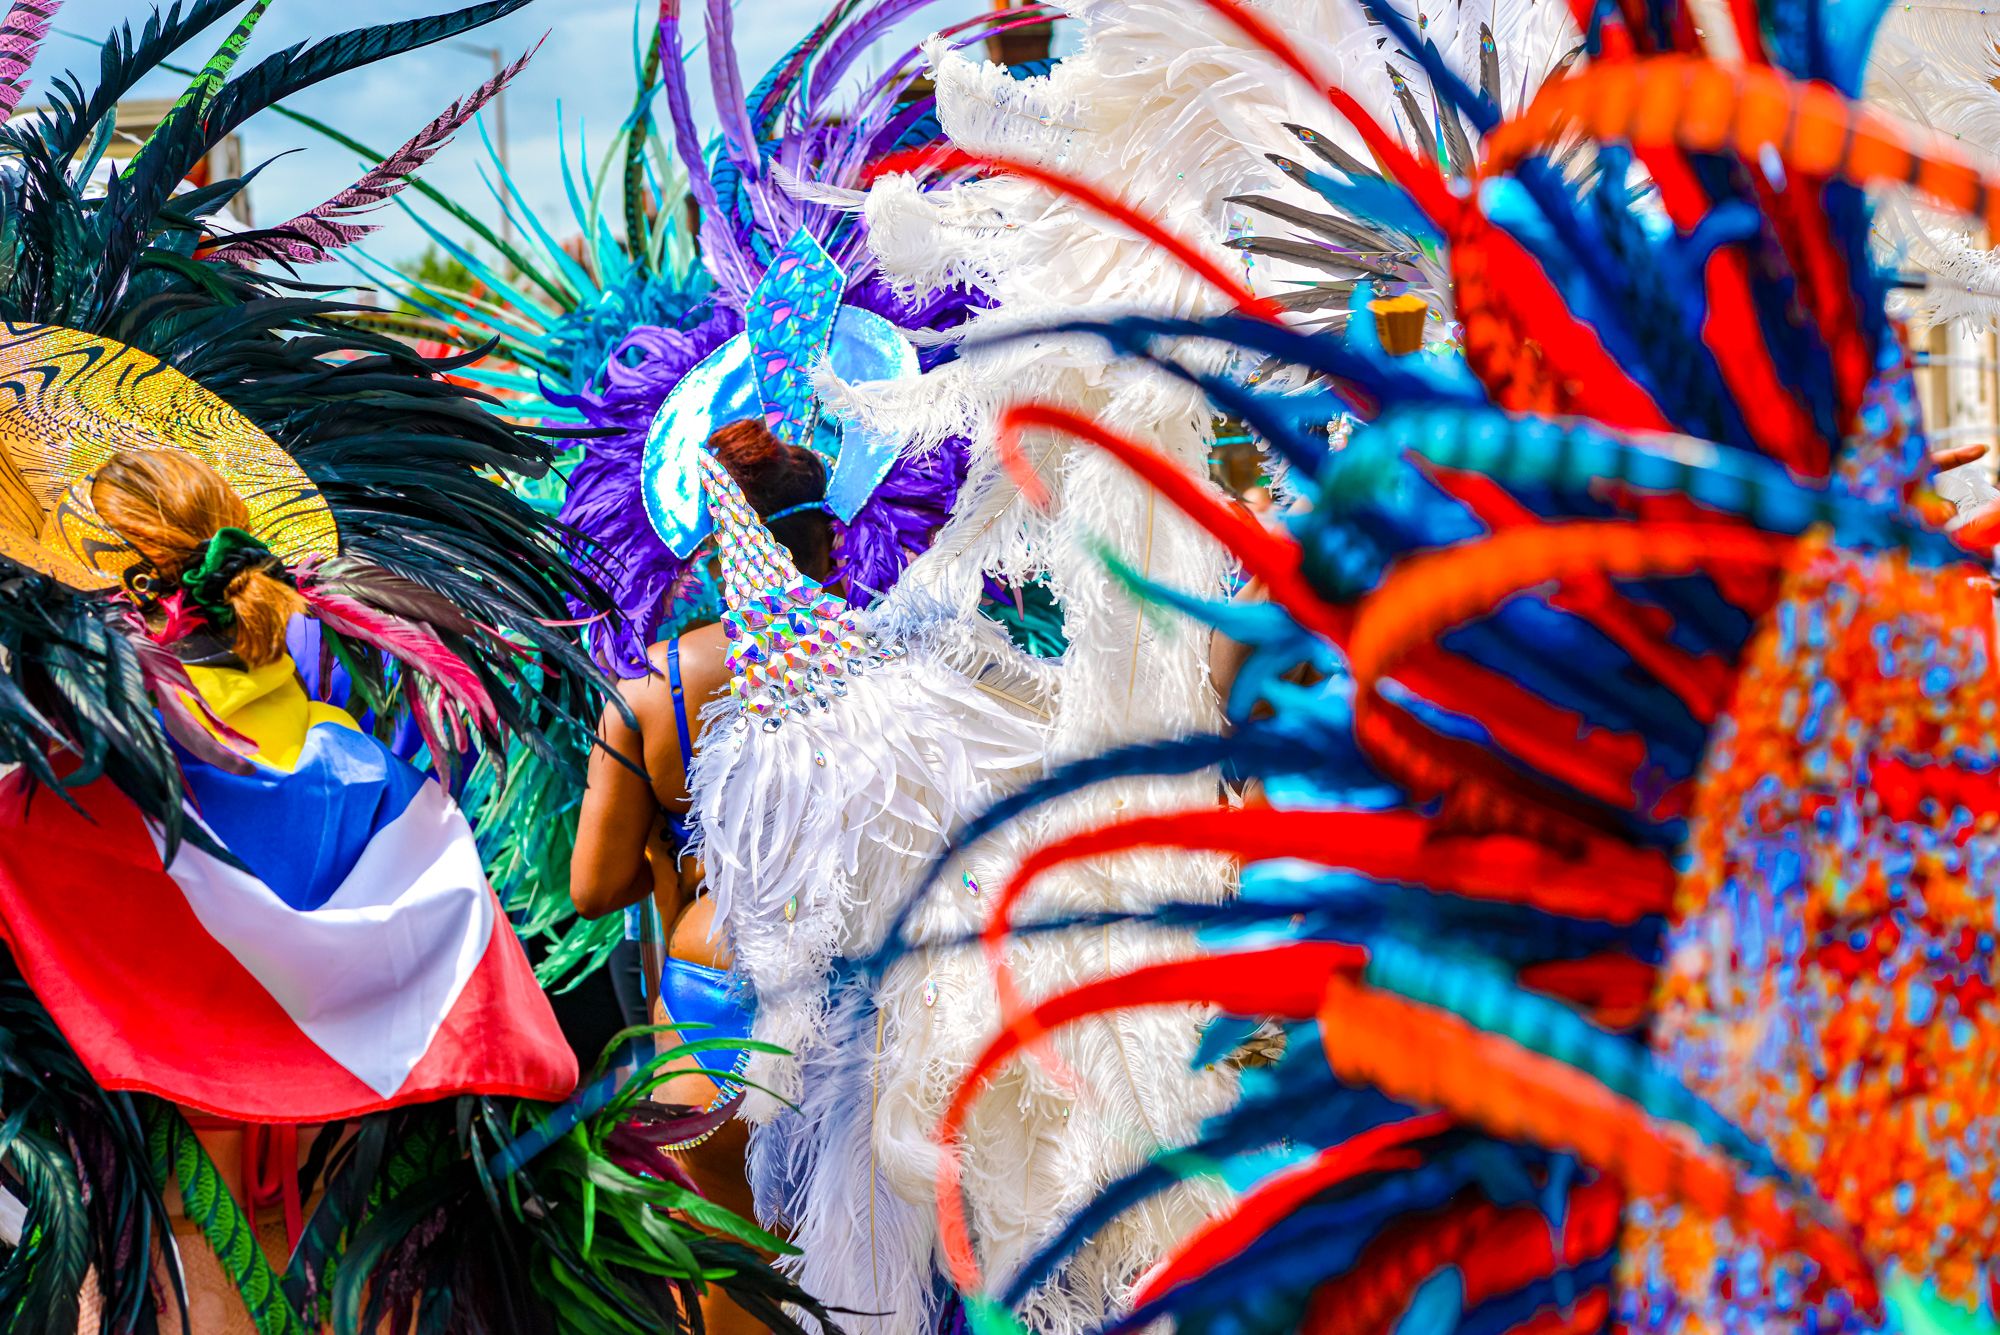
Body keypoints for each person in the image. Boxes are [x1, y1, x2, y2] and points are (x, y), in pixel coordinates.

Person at [570, 416, 834, 1335]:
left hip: (704, 1004)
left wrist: (662, 850)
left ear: (720, 551)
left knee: (724, 1296)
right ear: (829, 541)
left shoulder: (653, 690)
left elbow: (593, 889)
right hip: (852, 1012)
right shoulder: (880, 659)